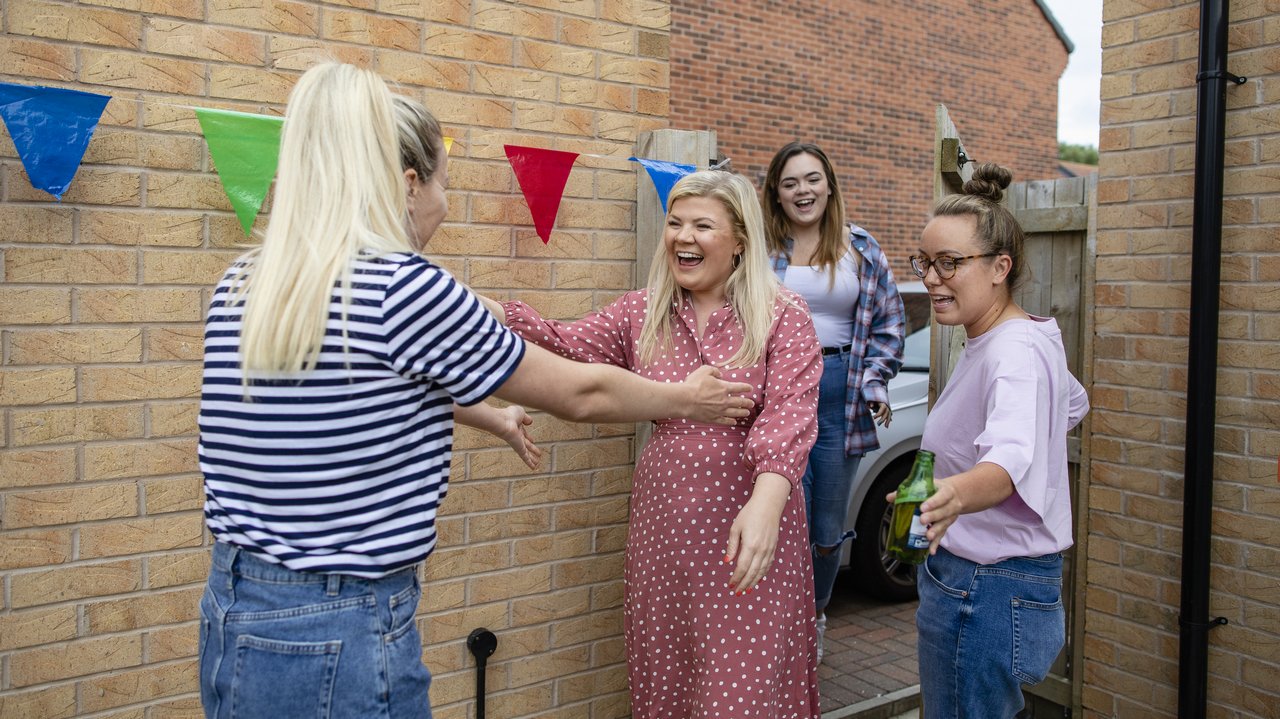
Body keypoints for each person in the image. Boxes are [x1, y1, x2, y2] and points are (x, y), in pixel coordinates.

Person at [196, 63, 755, 719]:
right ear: (409, 185)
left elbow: (350, 390)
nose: (446, 201)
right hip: (341, 629)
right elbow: (581, 393)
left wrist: (488, 415)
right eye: (445, 182)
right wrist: (686, 398)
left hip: (236, 609)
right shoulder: (404, 287)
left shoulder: (249, 282)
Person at [478, 170, 824, 718]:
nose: (683, 237)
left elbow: (791, 413)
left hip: (750, 531)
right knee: (671, 682)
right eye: (675, 223)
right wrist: (470, 307)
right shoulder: (641, 312)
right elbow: (561, 342)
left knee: (741, 694)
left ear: (739, 240)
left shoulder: (782, 315)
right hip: (664, 537)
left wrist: (768, 500)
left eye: (702, 225)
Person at [907, 163, 1089, 718]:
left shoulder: (1012, 353)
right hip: (992, 585)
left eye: (950, 263)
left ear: (999, 267)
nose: (932, 277)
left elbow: (1009, 458)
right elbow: (1071, 404)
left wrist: (953, 497)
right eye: (926, 262)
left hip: (985, 592)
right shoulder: (1016, 338)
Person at [761, 142, 905, 660]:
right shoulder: (758, 248)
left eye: (812, 179)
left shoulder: (860, 247)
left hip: (841, 389)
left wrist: (875, 380)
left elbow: (890, 323)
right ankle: (778, 622)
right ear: (776, 194)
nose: (803, 190)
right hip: (779, 389)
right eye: (790, 182)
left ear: (830, 185)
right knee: (778, 515)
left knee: (825, 528)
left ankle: (814, 615)